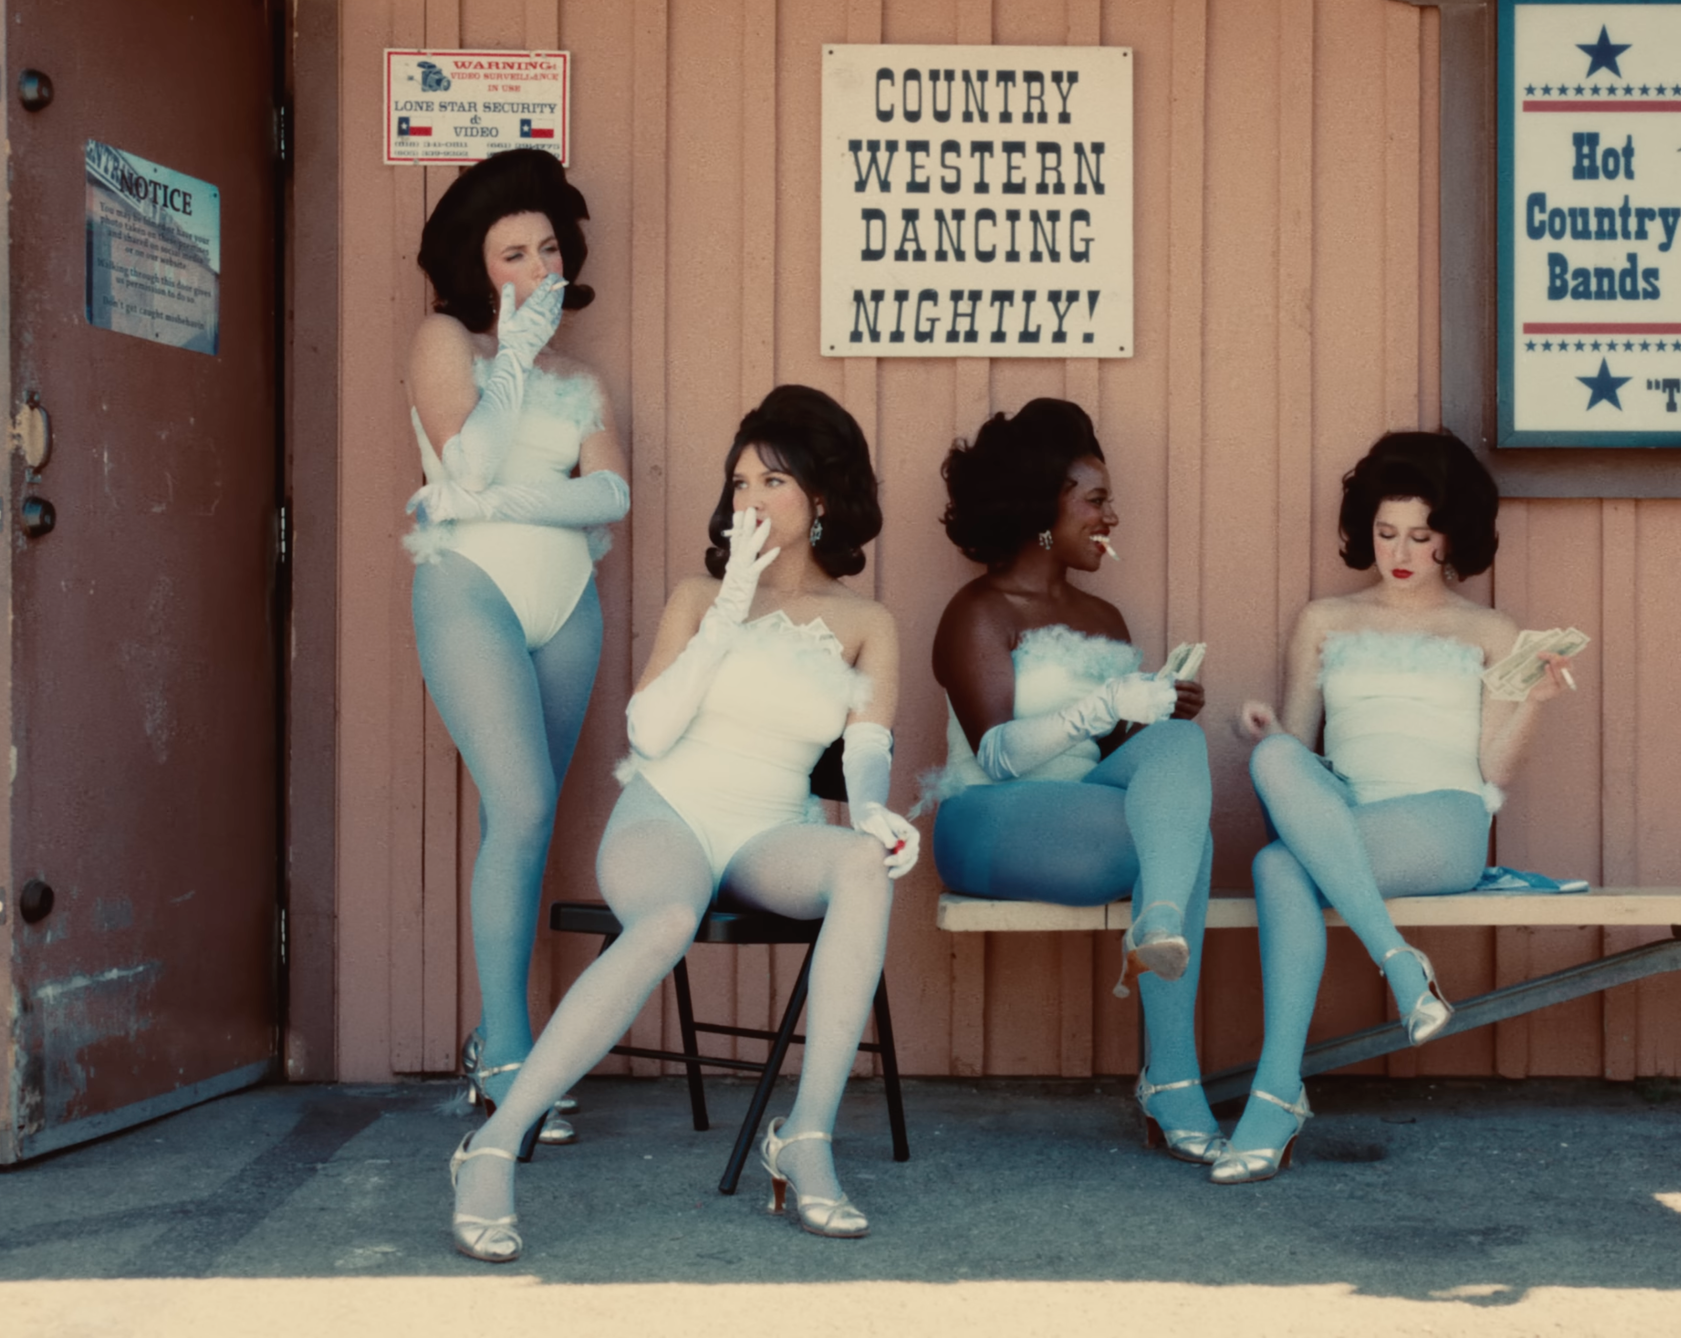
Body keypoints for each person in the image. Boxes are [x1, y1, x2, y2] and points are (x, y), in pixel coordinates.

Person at [447, 386, 914, 1260]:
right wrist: (727, 613)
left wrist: (878, 816)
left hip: (767, 832)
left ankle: (804, 1138)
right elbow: (649, 734)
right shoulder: (700, 595)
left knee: (861, 865)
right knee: (666, 918)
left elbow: (865, 753)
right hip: (667, 814)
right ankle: (495, 1144)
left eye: (773, 481)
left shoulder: (867, 622)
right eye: (739, 482)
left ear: (821, 497)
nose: (750, 500)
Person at [1219, 430, 1576, 1185]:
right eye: (1386, 533)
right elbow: (1299, 749)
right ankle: (1394, 971)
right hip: (1343, 812)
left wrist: (1535, 703)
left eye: (1421, 535)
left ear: (1452, 536)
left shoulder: (1489, 630)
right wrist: (1264, 731)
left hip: (1443, 821)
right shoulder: (1324, 619)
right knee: (1275, 767)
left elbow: (1493, 770)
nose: (1401, 552)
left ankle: (1275, 1101)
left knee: (1280, 866)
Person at [402, 148, 630, 1146]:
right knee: (526, 804)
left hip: (567, 602)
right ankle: (507, 1055)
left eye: (547, 249)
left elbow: (609, 494)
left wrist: (497, 503)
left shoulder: (581, 379)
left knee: (524, 823)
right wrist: (512, 357)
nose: (537, 269)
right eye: (513, 254)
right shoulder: (444, 339)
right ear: (478, 266)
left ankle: (494, 1038)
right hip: (470, 590)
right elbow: (468, 460)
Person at [926, 399, 1223, 1164]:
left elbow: (1118, 760)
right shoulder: (978, 612)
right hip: (987, 822)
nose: (1110, 518)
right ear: (1041, 510)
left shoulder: (1106, 620)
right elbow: (997, 755)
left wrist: (1157, 710)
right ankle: (1173, 1079)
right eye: (1095, 501)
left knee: (1178, 754)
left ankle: (1159, 930)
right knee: (1183, 840)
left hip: (1084, 824)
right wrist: (1104, 703)